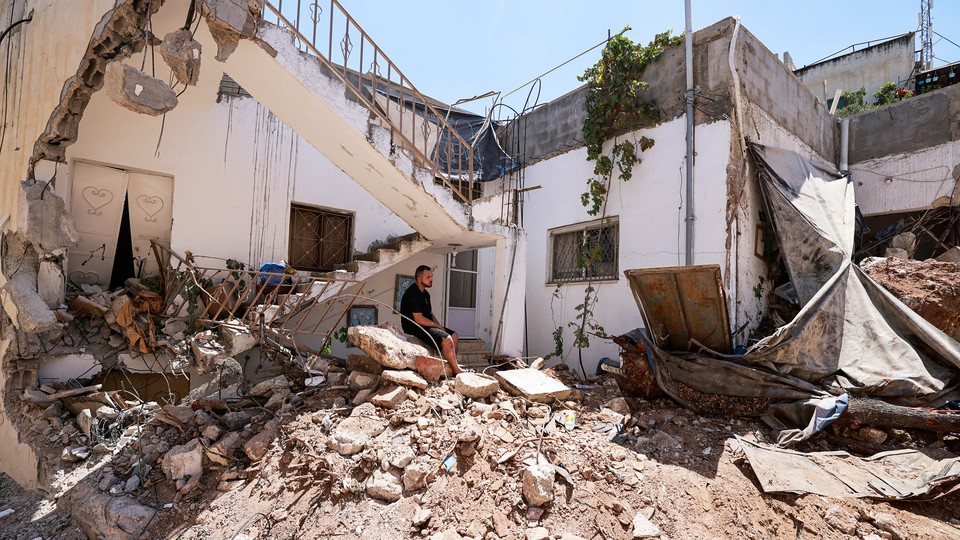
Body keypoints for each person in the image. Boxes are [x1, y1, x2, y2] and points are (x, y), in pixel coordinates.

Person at [399, 265, 467, 374]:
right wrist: (437, 327)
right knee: (446, 339)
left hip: (426, 325)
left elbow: (430, 314)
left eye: (432, 276)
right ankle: (456, 370)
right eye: (428, 277)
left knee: (454, 335)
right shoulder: (412, 293)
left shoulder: (426, 294)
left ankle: (452, 364)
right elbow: (419, 318)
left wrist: (440, 327)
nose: (431, 279)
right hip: (415, 326)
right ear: (419, 279)